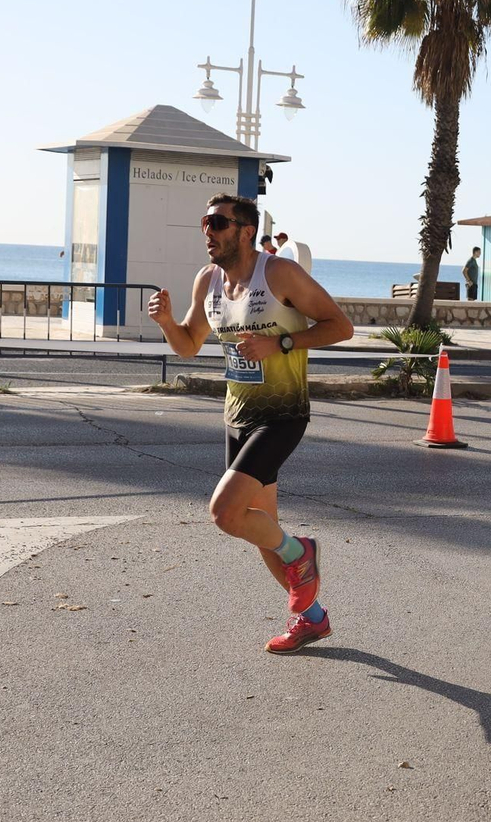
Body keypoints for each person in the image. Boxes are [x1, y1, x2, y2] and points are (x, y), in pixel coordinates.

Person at [146, 193, 355, 654]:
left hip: (282, 413)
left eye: (218, 223)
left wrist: (281, 343)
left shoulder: (279, 273)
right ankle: (312, 618)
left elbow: (341, 326)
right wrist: (165, 322)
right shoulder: (208, 281)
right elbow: (188, 344)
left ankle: (303, 553)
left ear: (244, 230)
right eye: (205, 222)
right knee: (259, 528)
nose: (208, 231)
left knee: (226, 513)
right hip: (237, 414)